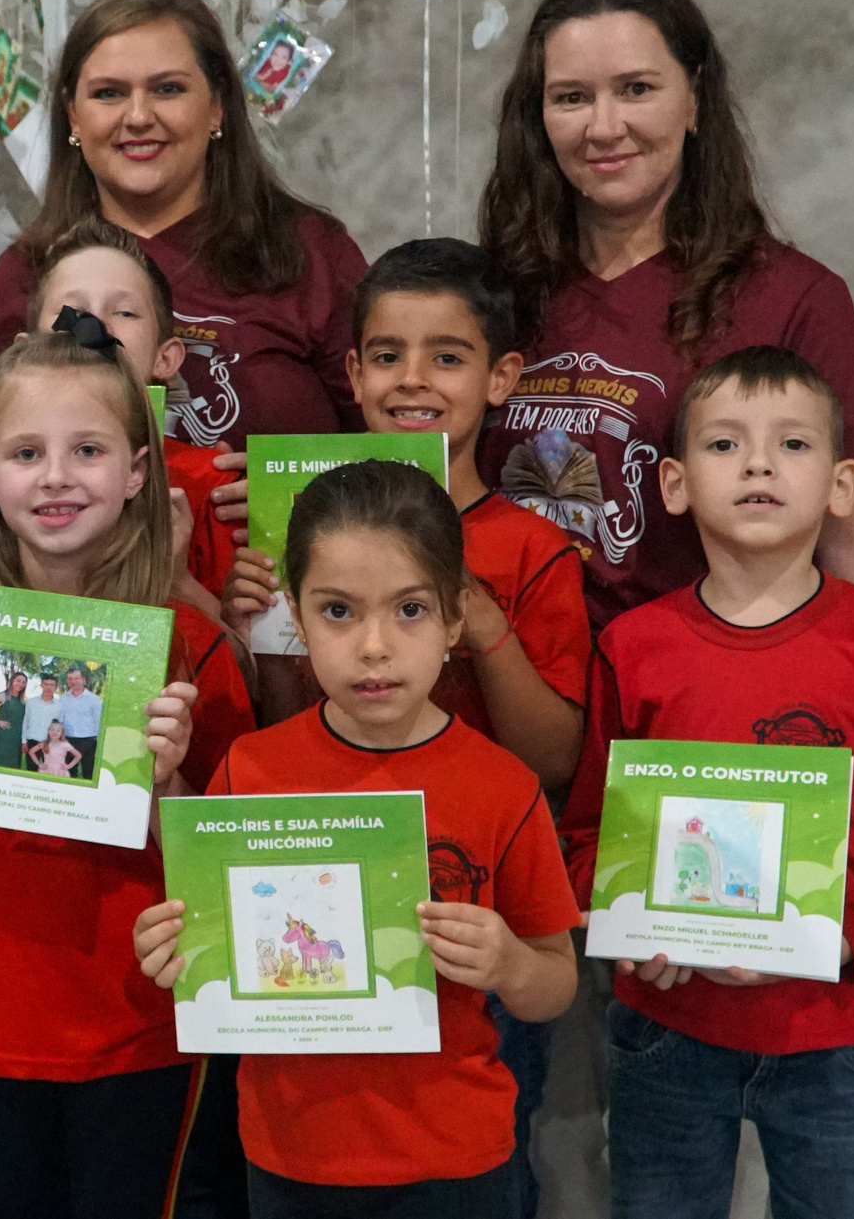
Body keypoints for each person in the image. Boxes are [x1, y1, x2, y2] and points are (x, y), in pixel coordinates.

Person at [473, 0, 854, 929]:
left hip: (695, 735)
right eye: (571, 97)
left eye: (636, 88)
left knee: (690, 1041)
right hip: (510, 727)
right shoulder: (493, 291)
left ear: (694, 98)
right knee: (517, 1057)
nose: (604, 126)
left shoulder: (789, 296)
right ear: (535, 115)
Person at [213, 238, 592, 1215]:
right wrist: (252, 624)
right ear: (352, 371)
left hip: (470, 940)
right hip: (313, 1033)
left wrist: (488, 623)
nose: (412, 379)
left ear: (499, 374)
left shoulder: (531, 549)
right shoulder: (301, 533)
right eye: (386, 355)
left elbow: (549, 762)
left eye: (446, 355)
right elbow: (286, 742)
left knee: (488, 1151)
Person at [558, 348, 854, 1219]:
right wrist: (627, 925)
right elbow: (590, 830)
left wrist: (846, 937)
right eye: (725, 444)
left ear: (843, 484)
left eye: (793, 444)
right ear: (672, 482)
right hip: (666, 1022)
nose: (760, 463)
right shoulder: (632, 646)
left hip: (836, 1029)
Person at [133, 459, 582, 1218]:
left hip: (455, 1159)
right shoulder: (253, 766)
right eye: (338, 611)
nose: (374, 645)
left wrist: (508, 960)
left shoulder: (502, 785)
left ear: (455, 616)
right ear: (297, 617)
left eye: (409, 609)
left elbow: (555, 983)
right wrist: (170, 946)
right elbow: (205, 939)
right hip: (289, 1153)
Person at [0, 331, 257, 1219]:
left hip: (141, 1032)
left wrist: (167, 783)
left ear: (135, 472)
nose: (55, 477)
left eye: (86, 450)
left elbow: (231, 868)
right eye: (26, 452)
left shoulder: (193, 646)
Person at [0, 0, 366, 446]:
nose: (137, 116)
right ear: (73, 116)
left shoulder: (312, 253)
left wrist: (286, 488)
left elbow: (396, 451)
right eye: (109, 93)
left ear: (217, 107)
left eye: (167, 89)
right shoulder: (24, 273)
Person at [24, 217, 239, 619]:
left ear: (166, 358)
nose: (95, 326)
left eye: (124, 312)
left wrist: (176, 583)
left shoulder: (217, 491)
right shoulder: (4, 476)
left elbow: (243, 660)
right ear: (25, 350)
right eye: (72, 311)